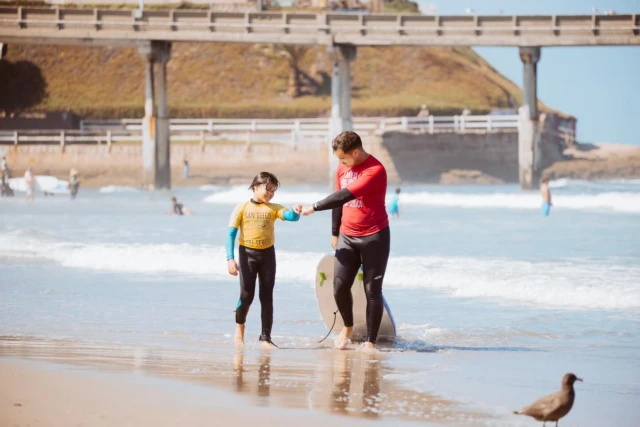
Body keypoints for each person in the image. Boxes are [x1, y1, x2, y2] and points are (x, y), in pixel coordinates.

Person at [296, 131, 390, 353]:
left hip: (374, 236)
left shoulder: (375, 170)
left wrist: (314, 207)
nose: (340, 163)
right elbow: (338, 200)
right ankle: (347, 327)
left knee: (372, 290)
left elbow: (345, 195)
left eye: (343, 158)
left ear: (355, 152)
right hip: (347, 236)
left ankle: (370, 342)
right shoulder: (342, 168)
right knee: (339, 286)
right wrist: (334, 232)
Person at [226, 172, 300, 348]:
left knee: (266, 297)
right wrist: (230, 259)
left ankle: (265, 337)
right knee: (246, 295)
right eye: (268, 189)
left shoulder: (273, 208)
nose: (270, 193)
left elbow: (290, 217)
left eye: (273, 191)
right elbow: (230, 234)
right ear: (255, 186)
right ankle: (240, 330)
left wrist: (296, 212)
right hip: (247, 255)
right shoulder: (242, 208)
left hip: (267, 255)